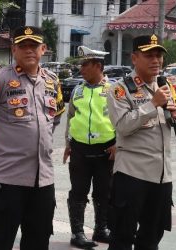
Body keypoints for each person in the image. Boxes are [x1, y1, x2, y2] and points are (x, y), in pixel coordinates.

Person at [0, 26, 65, 250]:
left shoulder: (52, 81)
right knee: (1, 241)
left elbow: (55, 118)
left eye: (34, 45)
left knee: (38, 241)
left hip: (43, 181)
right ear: (14, 49)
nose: (29, 50)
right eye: (23, 45)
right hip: (7, 180)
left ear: (44, 49)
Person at [107, 34, 176, 250]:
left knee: (153, 236)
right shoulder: (119, 89)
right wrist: (152, 105)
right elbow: (122, 126)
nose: (156, 60)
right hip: (132, 174)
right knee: (122, 236)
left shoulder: (165, 85)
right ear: (134, 58)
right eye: (149, 55)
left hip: (162, 176)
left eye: (159, 55)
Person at [63, 45, 116, 249]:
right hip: (80, 151)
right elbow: (71, 117)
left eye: (85, 64)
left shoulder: (113, 90)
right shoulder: (78, 89)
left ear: (98, 66)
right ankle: (77, 233)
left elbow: (121, 119)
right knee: (78, 192)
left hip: (106, 151)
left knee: (104, 192)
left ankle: (101, 230)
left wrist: (118, 144)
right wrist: (67, 144)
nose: (81, 69)